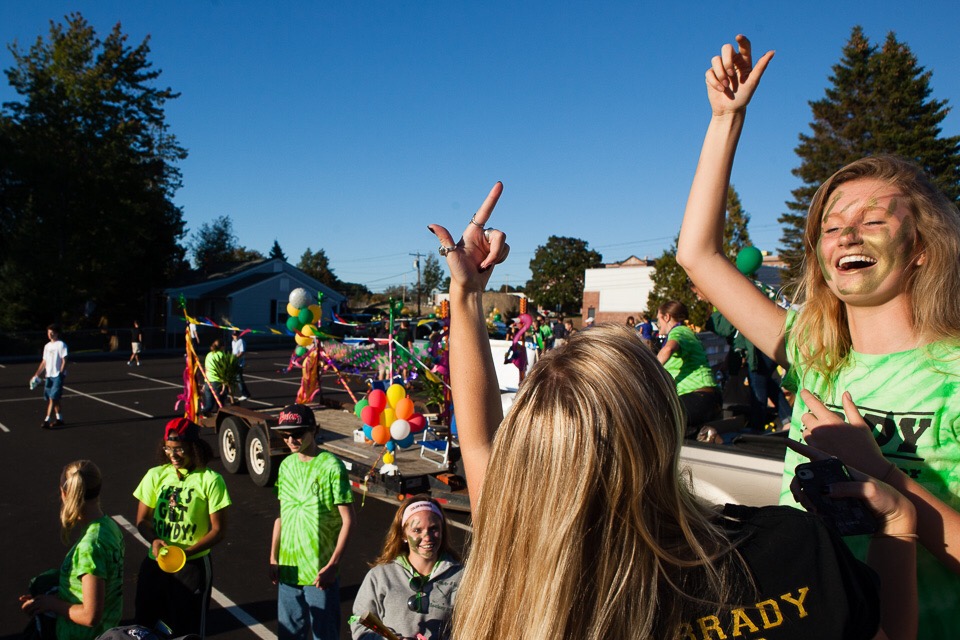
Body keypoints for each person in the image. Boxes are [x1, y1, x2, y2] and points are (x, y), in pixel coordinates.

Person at [429, 182, 919, 640]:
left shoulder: (520, 572)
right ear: (664, 427)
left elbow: (478, 441)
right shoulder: (791, 549)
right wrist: (900, 522)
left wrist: (465, 293)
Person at [676, 35, 960, 636]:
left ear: (924, 251)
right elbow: (698, 254)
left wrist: (880, 474)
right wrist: (726, 120)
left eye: (872, 220)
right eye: (831, 226)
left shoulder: (953, 374)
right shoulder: (811, 351)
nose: (846, 235)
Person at [134, 418, 231, 637]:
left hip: (191, 567)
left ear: (193, 447)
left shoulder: (211, 480)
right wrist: (154, 540)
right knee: (143, 625)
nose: (173, 454)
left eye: (179, 449)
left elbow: (218, 530)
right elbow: (142, 521)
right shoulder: (155, 475)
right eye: (168, 448)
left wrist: (184, 554)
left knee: (188, 630)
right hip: (156, 562)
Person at [270, 403, 355, 640]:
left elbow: (348, 520)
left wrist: (334, 566)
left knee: (325, 635)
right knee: (288, 635)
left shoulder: (331, 466)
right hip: (288, 570)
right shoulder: (286, 466)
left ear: (314, 430)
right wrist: (273, 557)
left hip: (320, 573)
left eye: (297, 434)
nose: (290, 440)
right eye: (285, 435)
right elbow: (282, 516)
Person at [19, 461, 124, 640]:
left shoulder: (90, 547)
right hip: (107, 628)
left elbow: (90, 616)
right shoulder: (109, 527)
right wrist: (45, 598)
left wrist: (51, 604)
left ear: (66, 493)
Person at [350, 496, 462, 640]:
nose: (427, 537)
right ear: (403, 534)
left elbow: (476, 627)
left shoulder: (462, 577)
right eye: (417, 530)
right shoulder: (380, 576)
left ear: (442, 531)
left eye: (433, 529)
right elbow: (354, 620)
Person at [655, 300, 722, 437]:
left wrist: (650, 368)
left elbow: (668, 349)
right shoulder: (687, 332)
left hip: (698, 397)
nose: (657, 325)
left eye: (658, 319)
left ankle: (703, 434)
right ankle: (701, 435)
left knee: (657, 420)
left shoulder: (680, 331)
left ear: (666, 317)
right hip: (703, 398)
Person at [33, 323, 68, 428]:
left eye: (52, 333)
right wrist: (36, 375)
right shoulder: (47, 346)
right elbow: (44, 362)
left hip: (57, 375)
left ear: (56, 333)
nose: (50, 335)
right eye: (49, 333)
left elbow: (64, 360)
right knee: (53, 398)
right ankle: (59, 419)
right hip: (49, 376)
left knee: (53, 398)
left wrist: (61, 374)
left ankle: (47, 420)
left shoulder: (61, 345)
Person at [201, 339, 226, 415]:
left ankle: (204, 412)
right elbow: (223, 370)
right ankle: (205, 412)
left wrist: (205, 382)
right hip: (216, 381)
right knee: (220, 403)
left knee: (209, 404)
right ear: (221, 347)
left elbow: (206, 369)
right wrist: (224, 386)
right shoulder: (221, 355)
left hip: (208, 381)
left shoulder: (209, 354)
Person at [231, 330, 250, 401]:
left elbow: (242, 352)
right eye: (233, 335)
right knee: (238, 379)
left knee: (239, 379)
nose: (235, 336)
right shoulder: (233, 342)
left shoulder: (241, 341)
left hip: (239, 363)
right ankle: (246, 393)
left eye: (236, 335)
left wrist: (236, 357)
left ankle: (244, 394)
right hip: (234, 362)